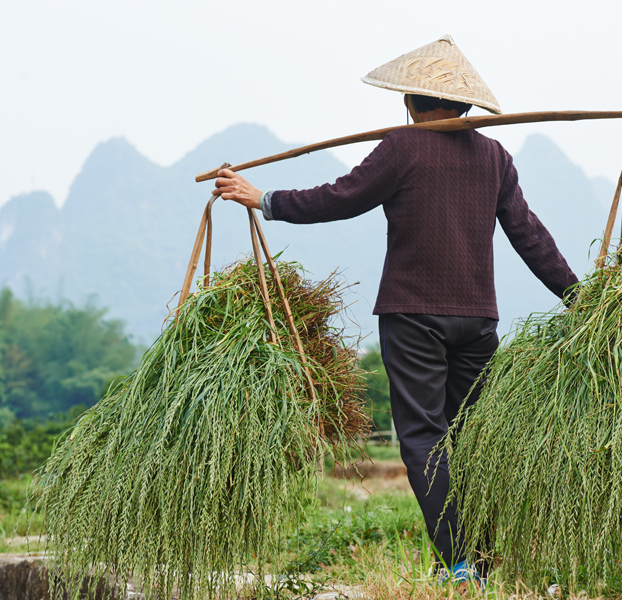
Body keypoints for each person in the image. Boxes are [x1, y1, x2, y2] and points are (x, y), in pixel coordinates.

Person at [212, 34, 579, 581]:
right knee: (471, 438)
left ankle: (461, 566)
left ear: (409, 100)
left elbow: (340, 198)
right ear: (465, 106)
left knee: (423, 440)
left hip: (412, 318)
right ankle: (473, 560)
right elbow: (530, 236)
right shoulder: (494, 157)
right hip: (478, 321)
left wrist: (265, 199)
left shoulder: (403, 147)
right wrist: (579, 297)